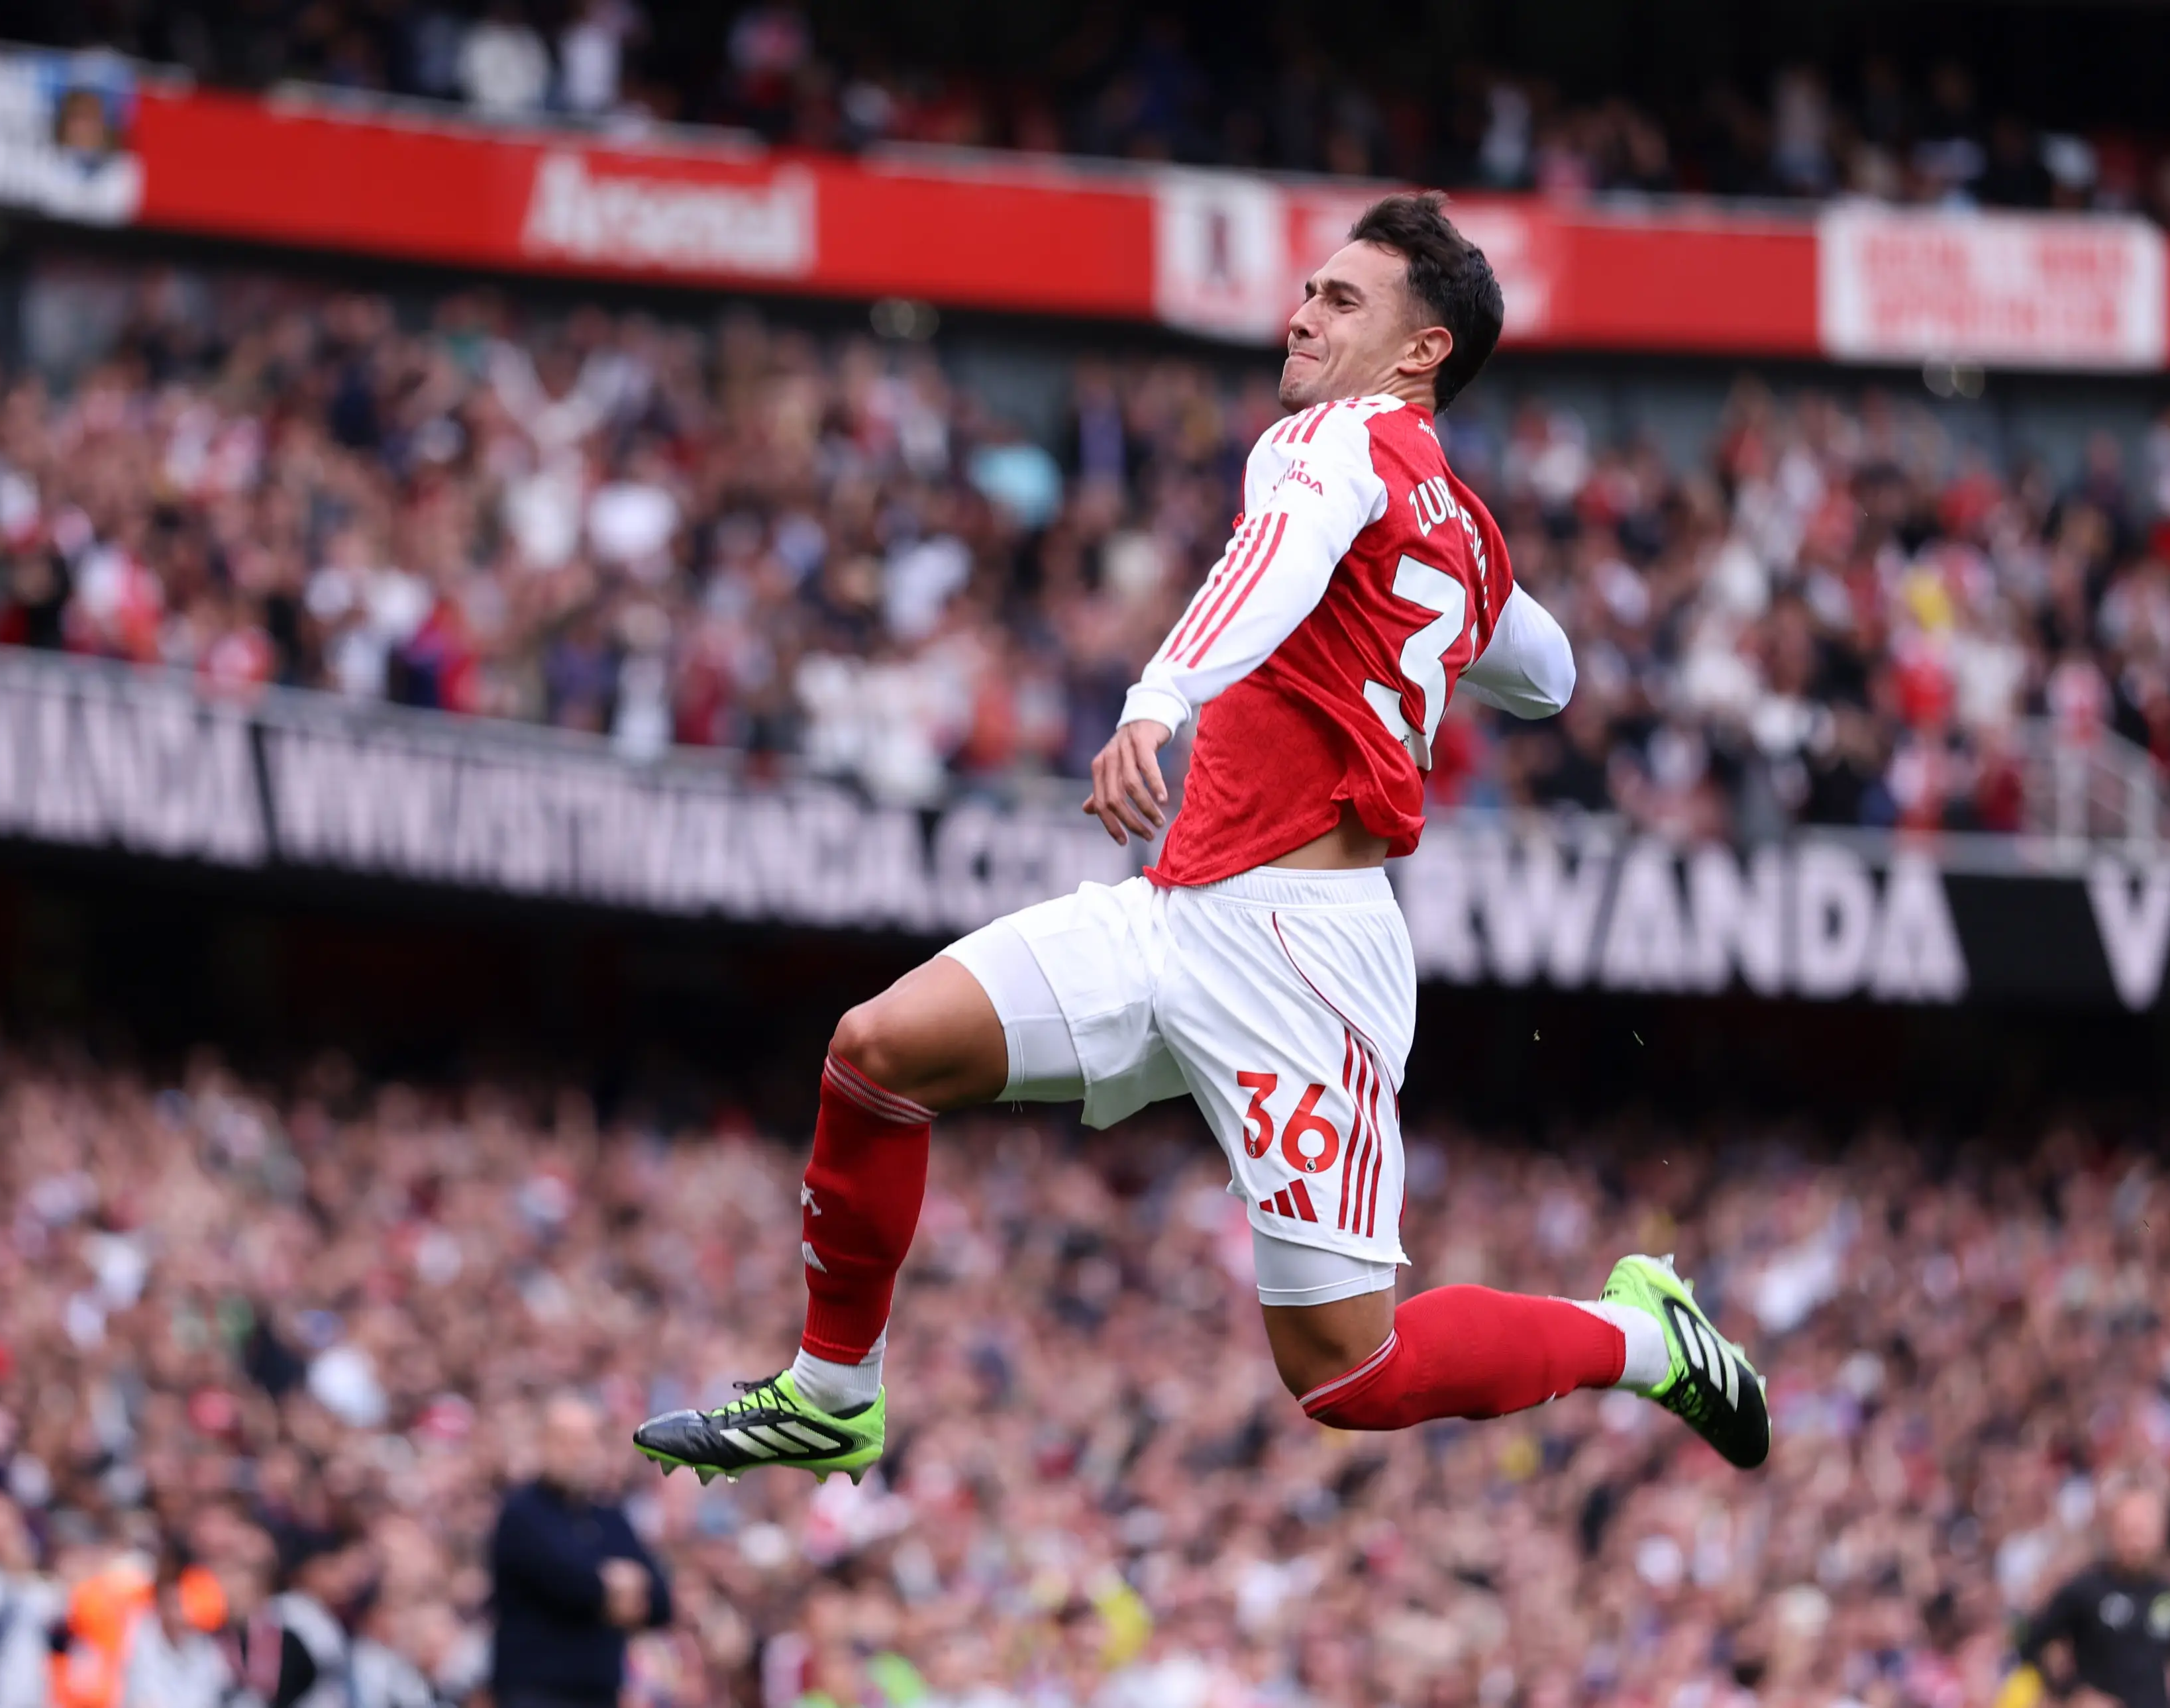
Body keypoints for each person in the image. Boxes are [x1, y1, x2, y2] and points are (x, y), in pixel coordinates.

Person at [633, 191, 1772, 1485]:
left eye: (1341, 299)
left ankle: (1643, 1335)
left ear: (1422, 351)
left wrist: (1160, 693)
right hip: (1180, 906)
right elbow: (1552, 674)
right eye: (1307, 290)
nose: (1301, 313)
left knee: (1351, 1370)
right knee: (878, 1050)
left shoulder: (1329, 443)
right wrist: (1467, 612)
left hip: (1301, 958)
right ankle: (835, 1392)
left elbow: (1274, 558)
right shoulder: (1455, 518)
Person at [490, 1396, 670, 1708]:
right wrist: (610, 1586)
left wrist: (608, 1589)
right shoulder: (521, 1513)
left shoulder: (609, 1515)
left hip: (600, 1693)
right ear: (542, 1443)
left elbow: (660, 1601)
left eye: (585, 1441)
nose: (576, 1452)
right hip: (534, 1692)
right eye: (565, 1440)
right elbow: (571, 1584)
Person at [2017, 1487, 2170, 1708]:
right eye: (2129, 1530)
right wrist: (2071, 1692)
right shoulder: (2086, 1588)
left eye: (2144, 1531)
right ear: (2113, 1532)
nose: (2137, 1542)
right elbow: (2029, 1643)